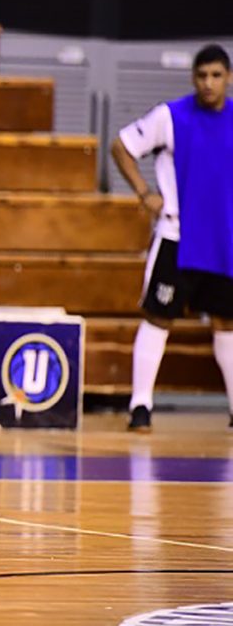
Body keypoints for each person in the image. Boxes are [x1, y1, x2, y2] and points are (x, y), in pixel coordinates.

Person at [111, 43, 233, 432]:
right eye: (202, 75)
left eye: (216, 75)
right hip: (177, 236)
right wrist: (144, 193)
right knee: (158, 317)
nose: (209, 83)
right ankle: (140, 406)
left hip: (223, 240)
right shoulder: (171, 116)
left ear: (229, 77)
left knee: (226, 322)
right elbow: (122, 146)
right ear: (193, 78)